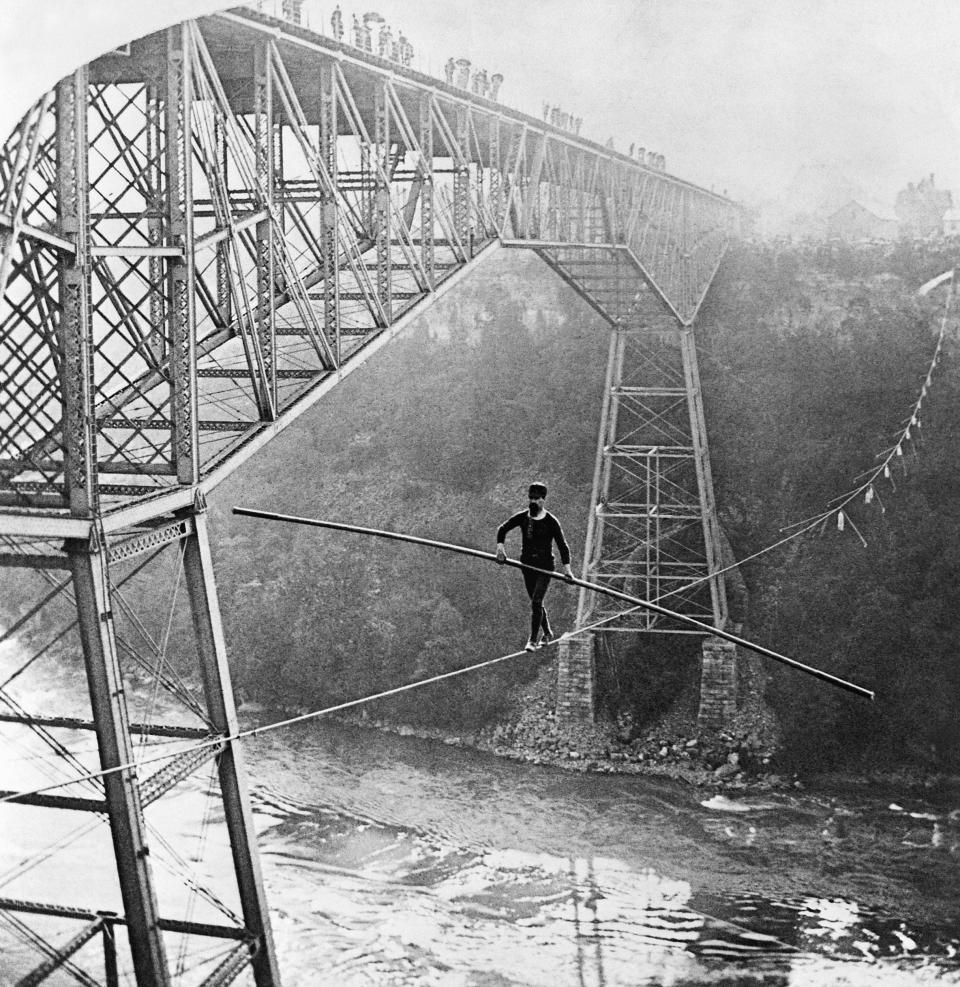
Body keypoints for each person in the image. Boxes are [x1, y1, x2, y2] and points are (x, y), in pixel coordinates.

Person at [496, 482, 575, 651]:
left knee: (537, 601)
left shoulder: (551, 521)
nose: (533, 502)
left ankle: (532, 640)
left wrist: (567, 570)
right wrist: (500, 548)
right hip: (527, 566)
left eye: (537, 499)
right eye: (531, 498)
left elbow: (563, 546)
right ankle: (547, 632)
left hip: (545, 567)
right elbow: (502, 529)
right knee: (535, 602)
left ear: (543, 500)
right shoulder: (523, 517)